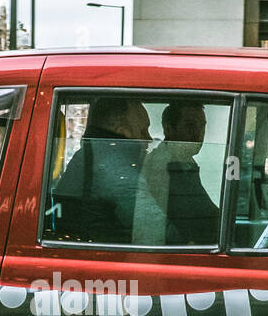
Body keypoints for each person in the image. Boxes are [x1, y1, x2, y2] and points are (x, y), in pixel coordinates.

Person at [50, 97, 152, 243]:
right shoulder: (115, 167)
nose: (149, 139)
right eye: (143, 132)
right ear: (122, 132)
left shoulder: (92, 154)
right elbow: (152, 225)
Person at [132, 102, 220, 246]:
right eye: (190, 126)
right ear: (169, 129)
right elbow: (175, 219)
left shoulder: (185, 160)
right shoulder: (161, 166)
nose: (198, 133)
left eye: (202, 126)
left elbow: (202, 208)